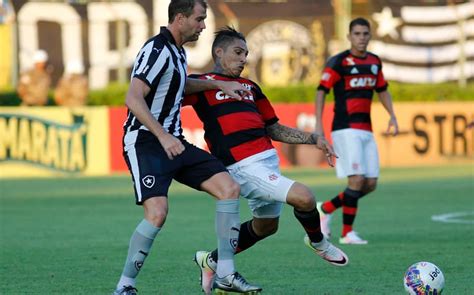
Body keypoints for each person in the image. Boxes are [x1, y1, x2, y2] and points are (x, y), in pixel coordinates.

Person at [183, 27, 349, 295]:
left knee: (266, 226)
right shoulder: (203, 84)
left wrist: (312, 138)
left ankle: (211, 260)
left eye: (246, 54)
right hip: (241, 165)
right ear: (218, 52)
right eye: (238, 52)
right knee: (305, 197)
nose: (243, 59)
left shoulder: (250, 87)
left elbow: (273, 128)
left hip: (267, 161)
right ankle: (318, 242)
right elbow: (171, 90)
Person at [113, 1, 261, 294]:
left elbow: (180, 86)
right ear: (179, 18)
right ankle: (124, 286)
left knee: (228, 188)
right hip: (145, 141)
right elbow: (133, 97)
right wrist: (163, 136)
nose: (203, 25)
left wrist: (217, 86)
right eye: (199, 19)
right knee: (157, 212)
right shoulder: (156, 49)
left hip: (174, 142)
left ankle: (225, 273)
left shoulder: (177, 51)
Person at [314, 17, 399, 245]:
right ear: (349, 36)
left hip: (366, 130)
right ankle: (347, 233)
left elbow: (382, 90)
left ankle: (326, 208)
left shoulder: (374, 62)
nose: (361, 38)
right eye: (357, 34)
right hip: (345, 128)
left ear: (370, 36)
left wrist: (392, 115)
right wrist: (318, 125)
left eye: (365, 34)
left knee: (370, 184)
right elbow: (321, 91)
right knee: (356, 180)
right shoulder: (338, 62)